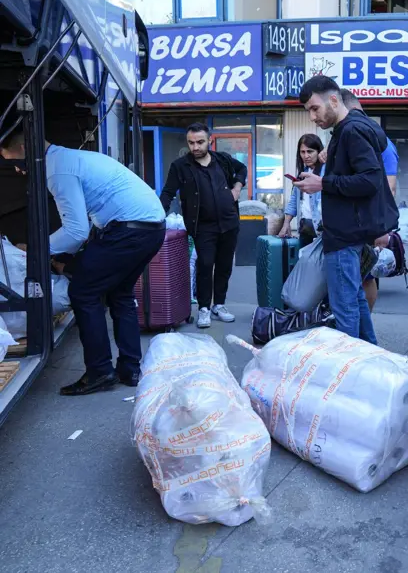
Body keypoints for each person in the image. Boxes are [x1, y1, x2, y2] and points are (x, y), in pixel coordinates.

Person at [0, 122, 166, 395]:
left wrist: (36, 250)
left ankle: (100, 372)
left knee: (83, 293)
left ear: (23, 149)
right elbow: (82, 225)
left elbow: (76, 231)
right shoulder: (69, 157)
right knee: (120, 294)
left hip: (127, 232)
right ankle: (130, 369)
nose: (18, 170)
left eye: (15, 163)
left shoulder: (58, 171)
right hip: (150, 228)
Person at [295, 76, 398, 344]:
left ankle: (349, 375)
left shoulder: (351, 131)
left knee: (346, 310)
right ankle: (371, 360)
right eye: (308, 111)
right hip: (351, 231)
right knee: (355, 302)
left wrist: (322, 183)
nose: (312, 117)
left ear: (333, 99)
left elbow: (370, 180)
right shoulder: (350, 129)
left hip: (343, 234)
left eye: (314, 108)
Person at [160, 123, 246, 330]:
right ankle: (204, 308)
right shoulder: (180, 166)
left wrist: (237, 188)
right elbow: (167, 193)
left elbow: (241, 169)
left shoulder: (222, 159)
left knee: (224, 266)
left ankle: (219, 305)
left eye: (200, 142)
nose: (195, 147)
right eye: (191, 143)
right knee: (205, 265)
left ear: (210, 140)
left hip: (229, 223)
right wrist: (155, 216)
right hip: (202, 227)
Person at [338, 88, 399, 309]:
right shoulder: (355, 135)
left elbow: (389, 188)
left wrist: (382, 229)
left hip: (370, 224)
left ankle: (366, 324)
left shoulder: (382, 144)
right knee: (355, 278)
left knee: (366, 276)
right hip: (352, 223)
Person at [280, 134, 324, 246]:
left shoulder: (327, 171)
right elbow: (294, 200)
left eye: (310, 151)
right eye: (302, 152)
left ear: (319, 151)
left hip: (323, 228)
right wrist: (286, 223)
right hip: (305, 227)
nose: (306, 156)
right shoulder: (303, 172)